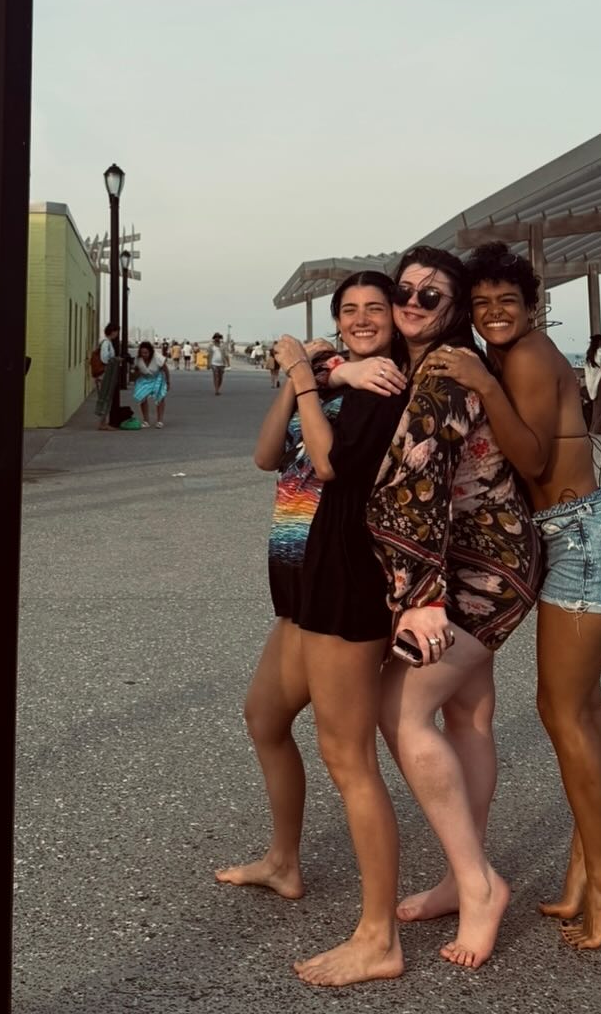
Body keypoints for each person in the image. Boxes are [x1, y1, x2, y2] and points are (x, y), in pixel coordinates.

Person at [319, 247, 541, 975]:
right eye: (405, 290)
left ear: (452, 309)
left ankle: (478, 884)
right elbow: (312, 354)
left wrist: (422, 601)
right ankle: (458, 875)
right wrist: (340, 370)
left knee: (400, 709)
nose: (411, 303)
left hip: (480, 569)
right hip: (487, 554)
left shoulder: (443, 376)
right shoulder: (414, 364)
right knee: (468, 714)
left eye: (431, 295)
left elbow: (411, 489)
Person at [426, 243, 601, 952]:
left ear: (532, 305)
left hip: (583, 542)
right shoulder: (520, 354)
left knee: (560, 710)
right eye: (481, 303)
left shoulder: (521, 357)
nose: (494, 313)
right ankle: (585, 866)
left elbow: (536, 458)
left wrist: (481, 385)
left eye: (507, 302)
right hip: (582, 536)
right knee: (586, 711)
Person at [216, 273, 404, 910]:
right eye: (349, 309)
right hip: (300, 585)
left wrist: (304, 370)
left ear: (395, 317)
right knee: (265, 717)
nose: (361, 319)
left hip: (344, 581)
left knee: (349, 757)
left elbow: (328, 464)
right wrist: (313, 378)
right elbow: (268, 455)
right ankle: (283, 861)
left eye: (375, 308)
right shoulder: (333, 379)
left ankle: (379, 927)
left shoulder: (385, 385)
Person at [132, 341, 169, 427]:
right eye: (142, 353)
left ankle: (160, 421)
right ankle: (146, 421)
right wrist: (134, 373)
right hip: (144, 378)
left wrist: (168, 382)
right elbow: (135, 370)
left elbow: (166, 369)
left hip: (157, 378)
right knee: (142, 397)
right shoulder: (138, 359)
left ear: (150, 352)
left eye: (146, 353)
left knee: (160, 397)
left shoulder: (157, 357)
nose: (144, 355)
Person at [95, 322, 120, 431]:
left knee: (105, 397)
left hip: (105, 373)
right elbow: (105, 358)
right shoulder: (106, 343)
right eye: (116, 331)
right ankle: (102, 423)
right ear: (113, 332)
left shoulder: (107, 342)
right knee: (105, 397)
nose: (117, 334)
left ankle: (103, 422)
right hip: (105, 374)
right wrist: (115, 359)